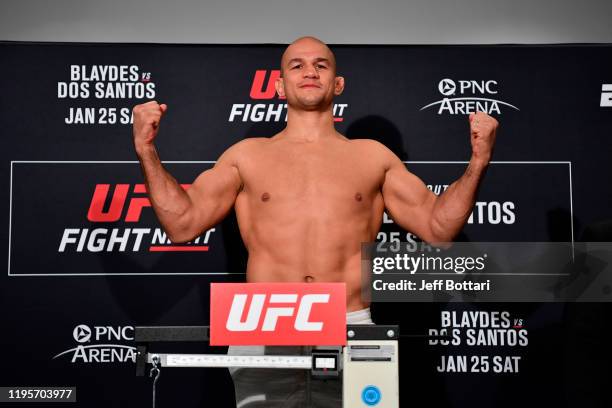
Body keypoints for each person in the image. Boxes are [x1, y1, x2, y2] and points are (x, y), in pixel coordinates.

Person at [132, 36, 498, 408]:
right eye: (297, 65)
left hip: (350, 324)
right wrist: (147, 150)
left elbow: (439, 228)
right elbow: (182, 223)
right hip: (266, 324)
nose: (310, 71)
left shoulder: (372, 157)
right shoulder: (246, 157)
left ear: (338, 84)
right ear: (278, 85)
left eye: (321, 65)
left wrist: (478, 161)